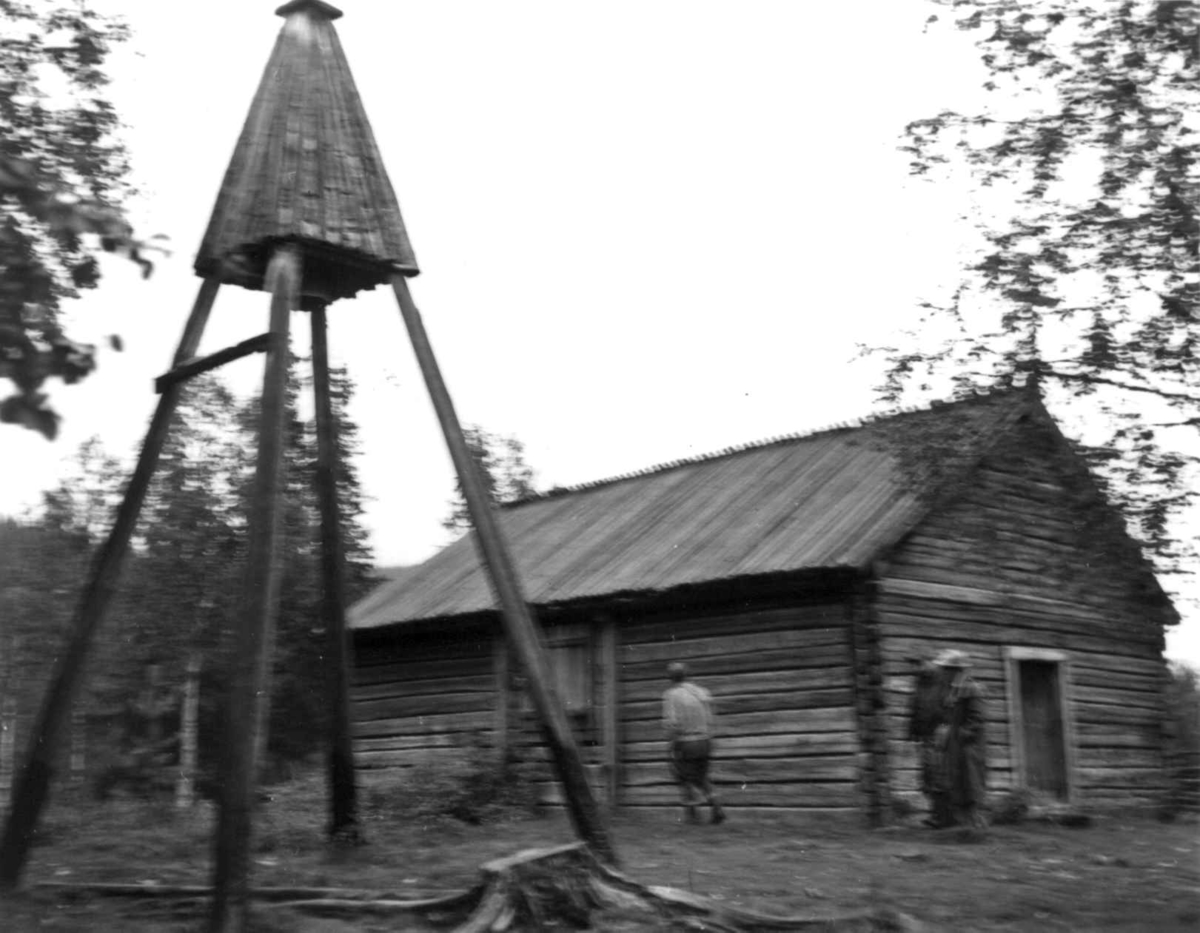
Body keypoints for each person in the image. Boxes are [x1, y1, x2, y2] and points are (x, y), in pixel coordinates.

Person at [662, 662, 725, 824]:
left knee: (684, 778)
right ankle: (716, 806)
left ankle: (692, 815)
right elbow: (712, 718)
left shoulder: (671, 695)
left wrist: (671, 743)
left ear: (670, 677)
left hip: (686, 742)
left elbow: (672, 722)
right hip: (705, 741)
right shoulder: (702, 692)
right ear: (687, 674)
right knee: (702, 776)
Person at [931, 648, 987, 830]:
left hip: (969, 746)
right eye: (943, 669)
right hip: (955, 745)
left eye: (946, 669)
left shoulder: (972, 689)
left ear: (957, 670)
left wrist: (963, 735)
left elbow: (977, 718)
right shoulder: (953, 690)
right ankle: (963, 825)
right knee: (956, 781)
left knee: (971, 782)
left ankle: (976, 824)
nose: (943, 673)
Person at [907, 657, 946, 826]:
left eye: (918, 665)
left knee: (937, 774)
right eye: (915, 666)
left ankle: (942, 816)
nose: (916, 669)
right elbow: (915, 708)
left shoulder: (939, 684)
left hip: (937, 736)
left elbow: (941, 710)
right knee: (927, 775)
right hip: (924, 737)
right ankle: (934, 814)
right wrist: (912, 730)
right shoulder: (919, 685)